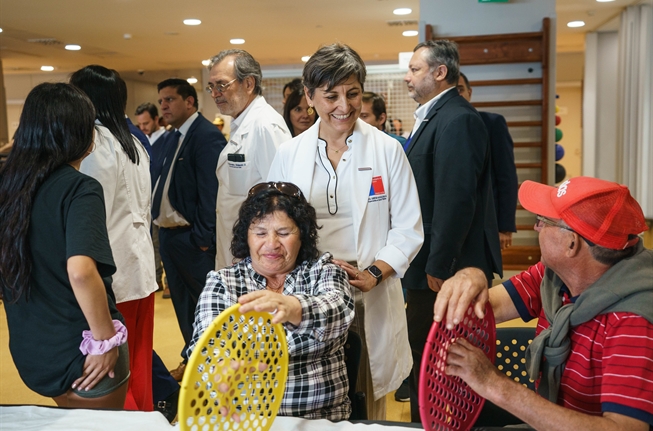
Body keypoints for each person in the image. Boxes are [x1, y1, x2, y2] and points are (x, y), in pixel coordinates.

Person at [268, 43, 424, 420]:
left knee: (365, 396)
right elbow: (274, 226)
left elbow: (408, 228)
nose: (344, 105)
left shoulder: (387, 151)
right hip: (306, 293)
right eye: (331, 95)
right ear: (309, 96)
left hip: (368, 286)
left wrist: (373, 274)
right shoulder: (289, 154)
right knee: (309, 394)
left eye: (352, 93)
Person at [433, 176, 652, 431]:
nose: (537, 228)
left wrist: (494, 384)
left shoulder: (633, 322)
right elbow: (485, 308)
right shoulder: (556, 277)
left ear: (572, 243)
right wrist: (472, 276)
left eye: (544, 222)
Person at [0, 82, 129, 409]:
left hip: (32, 351)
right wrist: (105, 341)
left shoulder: (10, 187)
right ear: (81, 135)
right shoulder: (79, 188)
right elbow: (82, 271)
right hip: (82, 355)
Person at [188, 182, 354, 420]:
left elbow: (338, 312)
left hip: (317, 418)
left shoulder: (324, 271)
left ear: (303, 236)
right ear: (246, 236)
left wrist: (292, 308)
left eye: (284, 233)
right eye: (260, 233)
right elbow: (205, 349)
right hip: (244, 420)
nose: (272, 244)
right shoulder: (223, 282)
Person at [401, 39, 502, 422]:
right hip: (432, 261)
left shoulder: (457, 118)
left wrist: (439, 266)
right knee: (427, 357)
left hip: (445, 268)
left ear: (439, 72)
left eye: (414, 69)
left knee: (440, 363)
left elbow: (456, 198)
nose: (407, 76)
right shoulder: (435, 115)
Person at [70, 65, 157, 412]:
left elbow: (89, 219)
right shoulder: (134, 141)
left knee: (113, 377)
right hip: (140, 271)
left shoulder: (91, 146)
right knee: (139, 367)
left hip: (109, 277)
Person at [153, 78, 226, 381]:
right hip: (169, 237)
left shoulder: (206, 135)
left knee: (204, 307)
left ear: (190, 102)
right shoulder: (170, 138)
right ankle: (192, 359)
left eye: (170, 99)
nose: (164, 106)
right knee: (183, 307)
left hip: (193, 239)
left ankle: (215, 370)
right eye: (161, 101)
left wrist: (203, 239)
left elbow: (211, 192)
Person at [207, 49, 291, 271]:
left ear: (249, 84)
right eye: (211, 87)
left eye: (221, 85)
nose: (215, 93)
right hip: (237, 249)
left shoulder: (265, 126)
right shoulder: (240, 124)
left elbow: (281, 199)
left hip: (257, 258)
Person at [457, 72, 518, 250]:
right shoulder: (437, 127)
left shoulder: (492, 123)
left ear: (470, 92)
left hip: (486, 221)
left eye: (460, 89)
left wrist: (505, 227)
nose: (457, 95)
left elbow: (506, 177)